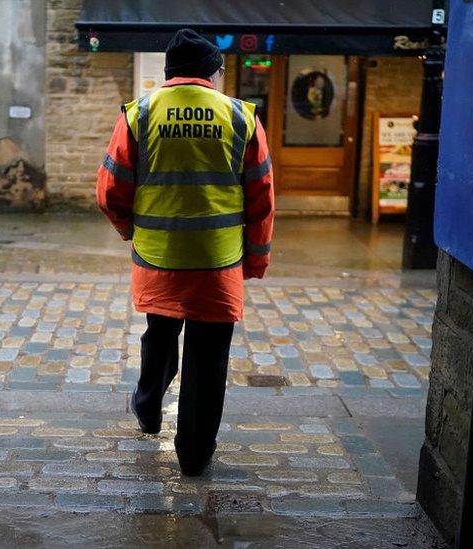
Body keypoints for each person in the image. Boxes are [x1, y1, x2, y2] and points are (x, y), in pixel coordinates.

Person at [96, 28, 275, 476]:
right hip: (217, 261)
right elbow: (261, 197)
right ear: (212, 72)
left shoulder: (139, 114)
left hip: (159, 257)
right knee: (209, 355)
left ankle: (148, 405)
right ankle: (194, 455)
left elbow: (110, 189)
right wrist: (256, 258)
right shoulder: (242, 117)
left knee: (160, 333)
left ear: (169, 73)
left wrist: (128, 230)